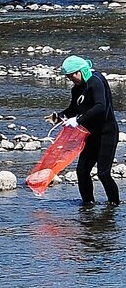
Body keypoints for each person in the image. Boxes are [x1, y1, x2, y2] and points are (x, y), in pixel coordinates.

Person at [58, 55, 120, 205]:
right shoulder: (77, 89)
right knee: (82, 171)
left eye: (72, 76)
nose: (71, 80)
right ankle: (87, 205)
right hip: (91, 135)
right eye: (68, 77)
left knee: (103, 173)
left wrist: (78, 120)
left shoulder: (96, 81)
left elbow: (101, 106)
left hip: (107, 133)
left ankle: (114, 205)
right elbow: (74, 108)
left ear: (81, 71)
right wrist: (60, 115)